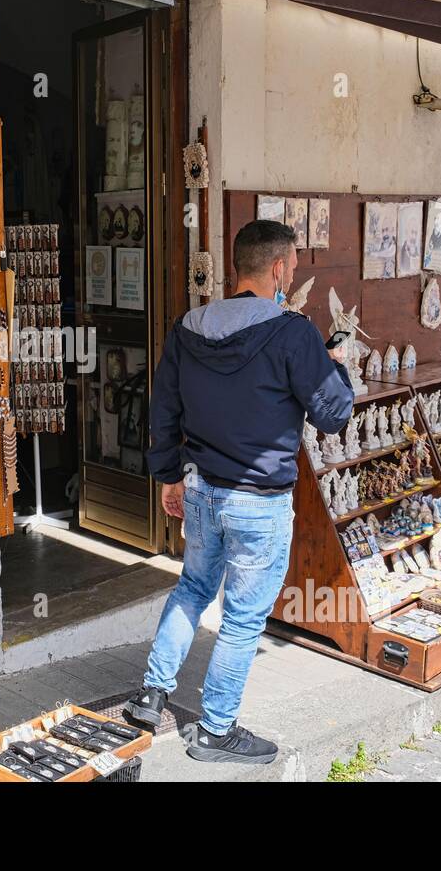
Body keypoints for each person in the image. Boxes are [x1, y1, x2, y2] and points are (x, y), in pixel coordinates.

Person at [123, 219, 354, 763]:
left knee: (193, 589)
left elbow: (163, 408)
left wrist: (167, 475)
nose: (292, 275)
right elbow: (332, 414)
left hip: (201, 489)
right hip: (258, 500)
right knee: (244, 617)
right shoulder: (293, 332)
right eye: (293, 267)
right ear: (277, 269)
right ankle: (216, 730)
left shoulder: (188, 327)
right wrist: (337, 367)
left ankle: (151, 694)